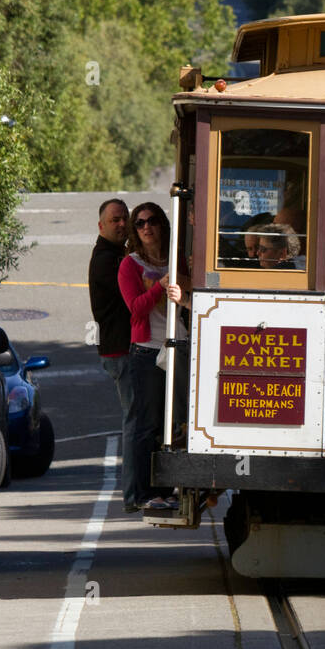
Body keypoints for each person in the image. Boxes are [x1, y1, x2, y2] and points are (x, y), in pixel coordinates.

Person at [118, 202, 182, 512]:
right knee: (147, 424)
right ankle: (143, 493)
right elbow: (136, 309)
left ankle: (165, 490)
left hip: (178, 346)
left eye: (152, 221)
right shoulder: (130, 265)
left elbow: (193, 300)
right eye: (140, 222)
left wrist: (183, 292)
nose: (146, 227)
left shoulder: (176, 258)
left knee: (173, 425)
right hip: (146, 351)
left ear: (163, 225)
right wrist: (160, 286)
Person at [88, 199, 135, 511]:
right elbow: (138, 292)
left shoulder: (119, 254)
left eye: (125, 219)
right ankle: (134, 494)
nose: (122, 224)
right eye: (115, 220)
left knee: (141, 419)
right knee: (134, 421)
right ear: (101, 225)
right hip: (120, 352)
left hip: (125, 350)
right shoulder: (106, 260)